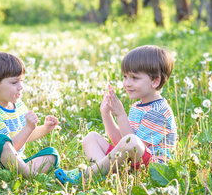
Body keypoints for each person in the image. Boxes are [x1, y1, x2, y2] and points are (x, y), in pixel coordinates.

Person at [55, 45, 177, 184]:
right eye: (125, 77)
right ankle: (103, 176)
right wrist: (106, 114)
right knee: (91, 138)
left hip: (153, 170)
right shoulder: (138, 107)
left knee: (132, 142)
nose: (127, 83)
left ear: (155, 81)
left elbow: (133, 147)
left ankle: (88, 175)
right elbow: (120, 143)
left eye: (135, 78)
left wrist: (121, 115)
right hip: (132, 163)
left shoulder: (159, 111)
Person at [0, 52, 60, 178]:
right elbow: (9, 147)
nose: (20, 87)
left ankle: (18, 173)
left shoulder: (19, 106)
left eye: (21, 81)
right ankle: (31, 175)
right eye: (14, 82)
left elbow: (24, 137)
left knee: (52, 154)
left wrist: (45, 128)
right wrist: (28, 127)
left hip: (16, 162)